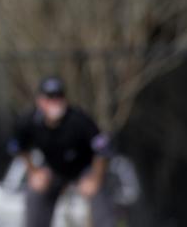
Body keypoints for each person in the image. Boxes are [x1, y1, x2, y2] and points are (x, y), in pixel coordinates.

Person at [8, 76, 116, 227]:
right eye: (50, 97)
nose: (55, 102)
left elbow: (103, 150)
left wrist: (95, 179)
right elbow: (17, 147)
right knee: (35, 190)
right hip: (54, 170)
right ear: (40, 100)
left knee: (99, 193)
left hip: (83, 169)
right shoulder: (30, 120)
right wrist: (34, 172)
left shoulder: (78, 119)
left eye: (59, 97)